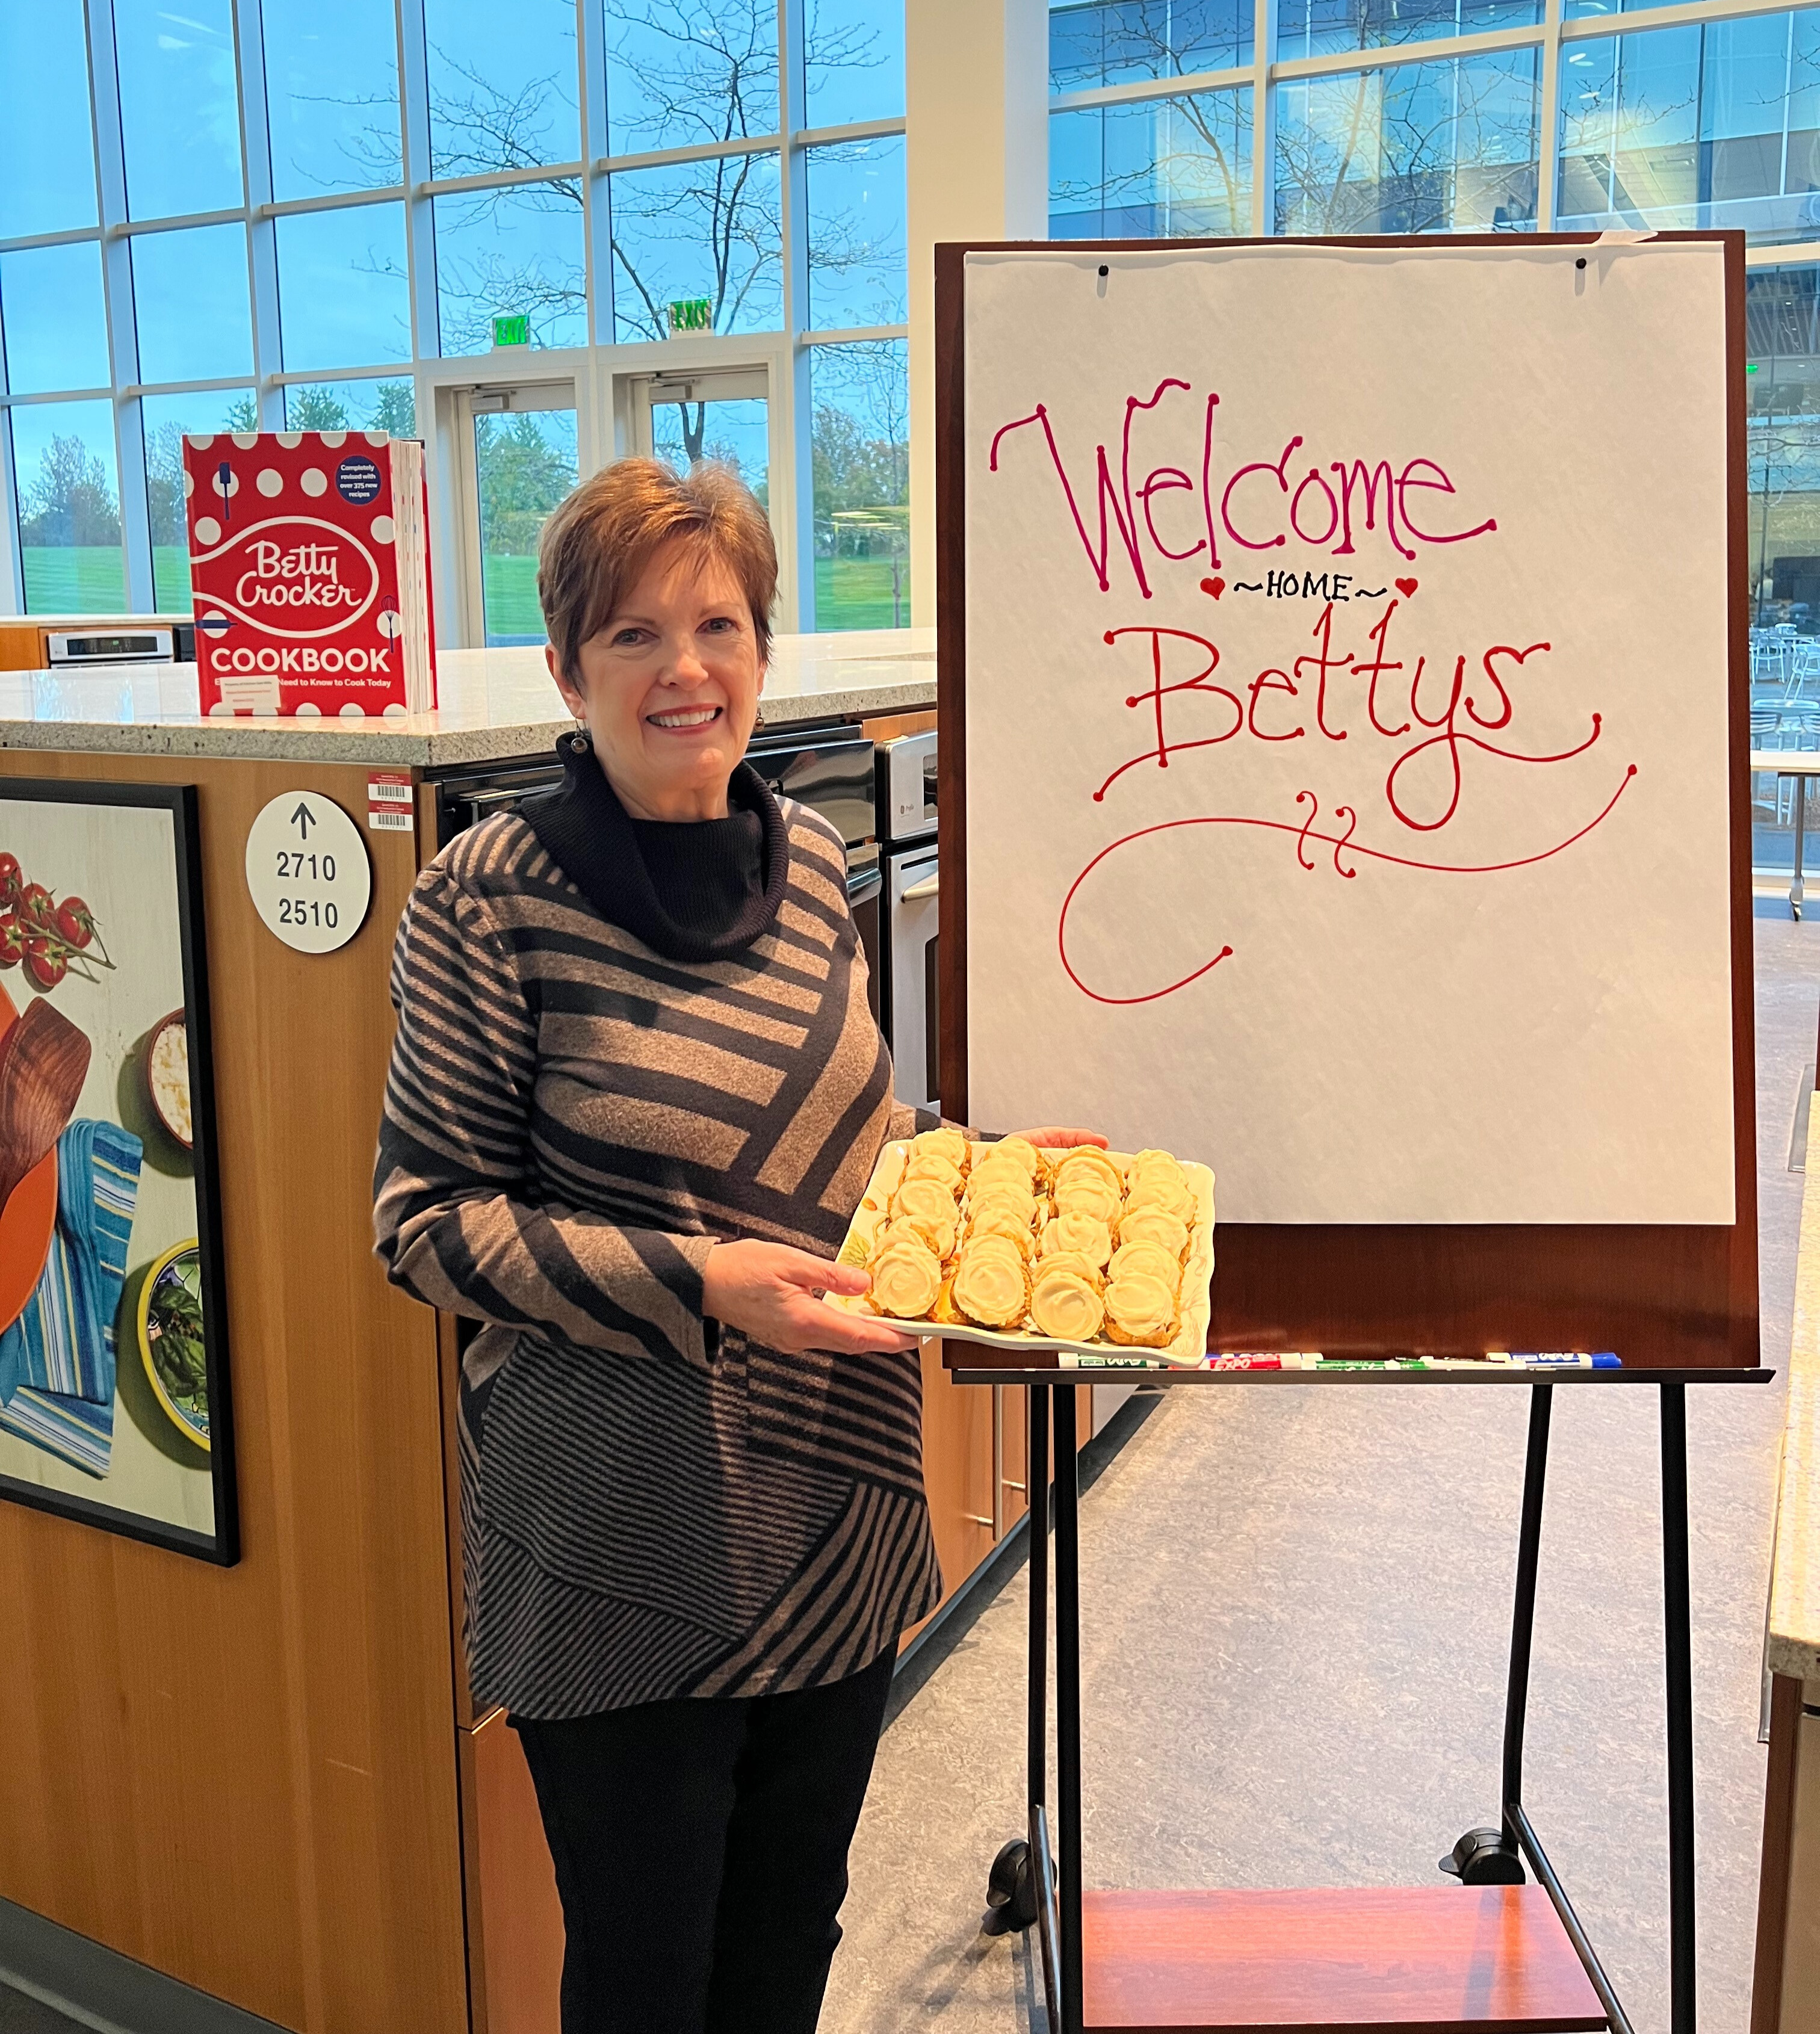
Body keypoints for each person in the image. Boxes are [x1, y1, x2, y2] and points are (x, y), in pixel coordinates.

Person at [373, 457, 1102, 2034]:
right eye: (632, 635)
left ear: (764, 653)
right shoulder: (485, 898)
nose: (684, 668)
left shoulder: (811, 866)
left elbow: (848, 1143)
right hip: (620, 1529)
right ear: (568, 670)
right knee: (646, 1970)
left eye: (718, 624)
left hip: (833, 1492)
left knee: (788, 1932)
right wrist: (706, 1287)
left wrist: (979, 1177)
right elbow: (423, 1224)